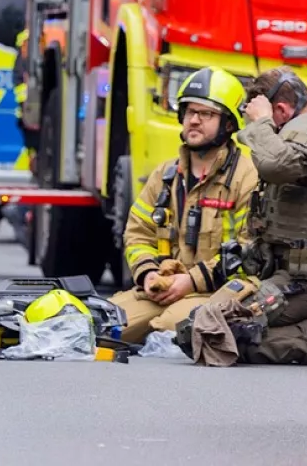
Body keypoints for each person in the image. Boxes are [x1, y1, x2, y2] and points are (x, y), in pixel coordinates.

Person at [184, 68, 307, 366]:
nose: (274, 133)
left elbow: (277, 165)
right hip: (287, 274)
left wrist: (261, 123)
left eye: (273, 120)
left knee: (210, 335)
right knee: (195, 326)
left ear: (282, 109)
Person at [106, 67, 258, 343]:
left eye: (207, 114)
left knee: (168, 329)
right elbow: (138, 234)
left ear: (228, 124)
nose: (195, 121)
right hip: (165, 286)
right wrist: (149, 274)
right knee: (105, 324)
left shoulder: (248, 179)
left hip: (218, 290)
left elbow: (251, 252)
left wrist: (191, 281)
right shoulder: (165, 176)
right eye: (190, 112)